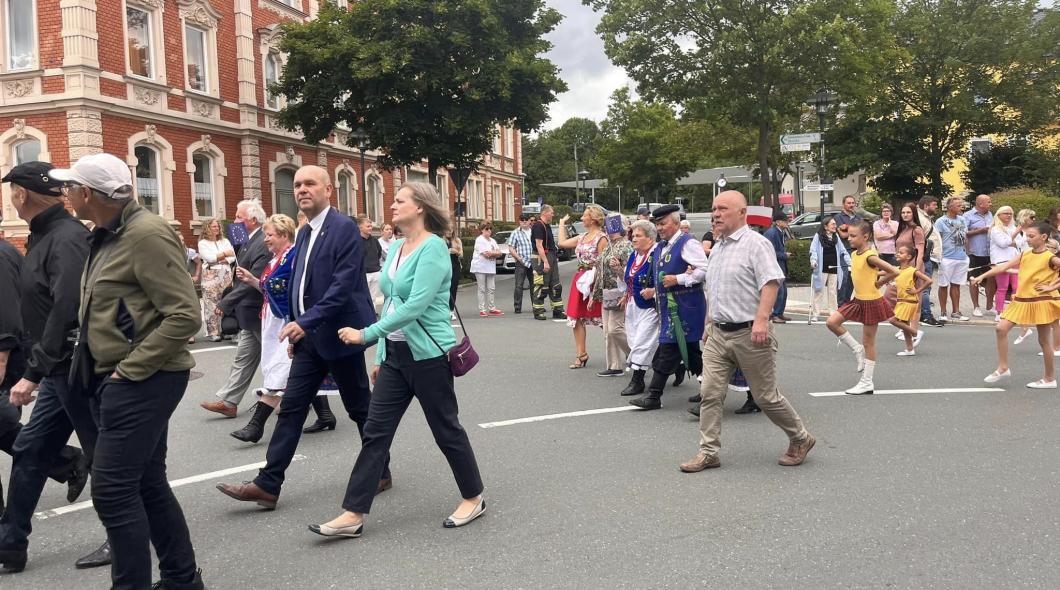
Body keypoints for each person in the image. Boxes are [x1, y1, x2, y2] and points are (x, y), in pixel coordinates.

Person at [56, 153, 204, 588]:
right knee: (146, 483)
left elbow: (184, 314)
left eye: (70, 188)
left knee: (113, 489)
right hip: (117, 376)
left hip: (144, 378)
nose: (66, 194)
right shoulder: (106, 233)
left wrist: (128, 370)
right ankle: (181, 580)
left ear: (87, 194)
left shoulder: (146, 233)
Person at [309, 182, 485, 539]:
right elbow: (389, 301)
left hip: (429, 357)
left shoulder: (433, 248)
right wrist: (382, 352)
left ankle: (473, 496)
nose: (392, 205)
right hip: (395, 358)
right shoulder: (398, 248)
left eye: (400, 200)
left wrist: (366, 335)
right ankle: (353, 513)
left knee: (446, 430)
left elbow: (415, 306)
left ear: (420, 207)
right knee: (375, 433)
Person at [217, 164, 389, 510]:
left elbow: (341, 286)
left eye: (310, 183)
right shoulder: (306, 231)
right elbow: (300, 285)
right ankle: (268, 484)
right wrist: (298, 328)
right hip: (310, 338)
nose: (302, 189)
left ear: (329, 190)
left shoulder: (343, 230)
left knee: (359, 408)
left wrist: (304, 322)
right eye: (297, 184)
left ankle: (381, 470)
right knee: (292, 408)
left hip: (340, 335)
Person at [0, 162, 105, 574]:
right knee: (29, 450)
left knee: (105, 458)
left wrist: (32, 372)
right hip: (60, 370)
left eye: (12, 191)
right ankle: (10, 545)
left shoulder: (66, 238)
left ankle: (124, 536)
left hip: (78, 369)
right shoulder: (45, 235)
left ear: (21, 195)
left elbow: (68, 310)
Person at [682, 190, 815, 473]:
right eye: (714, 208)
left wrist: (762, 320)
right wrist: (709, 322)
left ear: (742, 213)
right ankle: (708, 452)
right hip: (719, 334)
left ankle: (800, 437)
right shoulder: (718, 246)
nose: (715, 214)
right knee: (710, 393)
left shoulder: (756, 244)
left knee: (766, 396)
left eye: (723, 209)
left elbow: (771, 282)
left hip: (749, 333)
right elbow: (715, 289)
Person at [629, 205, 708, 410]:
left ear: (676, 223)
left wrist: (680, 278)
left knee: (668, 350)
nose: (660, 227)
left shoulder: (687, 243)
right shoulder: (662, 246)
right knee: (691, 353)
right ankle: (708, 390)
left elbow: (704, 270)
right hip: (668, 308)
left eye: (663, 223)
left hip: (686, 307)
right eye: (658, 224)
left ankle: (654, 396)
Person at [229, 214, 298, 443]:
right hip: (270, 321)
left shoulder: (293, 258)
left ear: (284, 235)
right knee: (290, 372)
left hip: (286, 322)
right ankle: (325, 414)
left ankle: (255, 426)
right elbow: (268, 290)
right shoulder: (273, 260)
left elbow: (296, 292)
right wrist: (251, 280)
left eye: (269, 235)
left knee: (281, 371)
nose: (266, 240)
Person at [200, 200, 270, 419]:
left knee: (274, 361)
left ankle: (292, 398)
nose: (235, 221)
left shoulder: (262, 243)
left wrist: (225, 303)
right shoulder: (247, 239)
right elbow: (236, 256)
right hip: (248, 313)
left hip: (258, 311)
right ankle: (229, 402)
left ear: (253, 220)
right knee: (243, 358)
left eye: (239, 217)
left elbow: (253, 281)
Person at [974, 221, 1060, 389]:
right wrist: (981, 276)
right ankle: (1003, 367)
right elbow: (1003, 266)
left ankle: (1049, 378)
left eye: (1031, 236)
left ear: (1043, 237)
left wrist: (1051, 286)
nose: (1027, 239)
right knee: (1000, 328)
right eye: (1026, 236)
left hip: (1040, 301)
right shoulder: (1025, 254)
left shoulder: (1050, 257)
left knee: (1044, 341)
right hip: (1022, 299)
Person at [826, 221, 900, 395]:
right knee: (831, 322)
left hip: (871, 301)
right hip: (857, 299)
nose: (849, 239)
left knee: (869, 342)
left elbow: (894, 271)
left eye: (853, 236)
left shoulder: (870, 256)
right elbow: (867, 271)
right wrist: (877, 275)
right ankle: (856, 348)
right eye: (849, 235)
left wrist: (879, 282)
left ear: (865, 237)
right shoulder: (855, 254)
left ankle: (867, 382)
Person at [558, 206, 607, 368]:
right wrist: (561, 223)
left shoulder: (601, 238)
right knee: (576, 317)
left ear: (593, 219)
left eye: (585, 216)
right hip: (580, 279)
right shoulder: (582, 236)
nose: (582, 218)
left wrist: (599, 286)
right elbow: (562, 243)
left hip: (594, 280)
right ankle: (581, 354)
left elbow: (603, 265)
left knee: (604, 320)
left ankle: (626, 349)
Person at [619, 220, 660, 396]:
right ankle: (674, 364)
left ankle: (637, 380)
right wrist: (624, 294)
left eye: (638, 236)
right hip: (633, 304)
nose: (634, 239)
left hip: (651, 307)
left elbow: (667, 279)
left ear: (650, 238)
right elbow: (629, 280)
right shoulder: (634, 256)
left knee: (643, 342)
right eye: (633, 235)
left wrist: (655, 291)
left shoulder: (657, 255)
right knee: (635, 341)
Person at [593, 213, 633, 377]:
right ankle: (614, 365)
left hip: (619, 291)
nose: (608, 230)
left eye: (612, 226)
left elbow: (630, 275)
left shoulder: (626, 246)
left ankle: (637, 356)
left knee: (614, 330)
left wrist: (618, 269)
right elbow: (600, 271)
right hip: (607, 292)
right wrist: (593, 294)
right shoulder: (609, 245)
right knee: (607, 332)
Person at [888, 245, 934, 356]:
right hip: (901, 300)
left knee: (893, 320)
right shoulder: (897, 270)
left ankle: (916, 332)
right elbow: (883, 273)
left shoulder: (912, 271)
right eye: (898, 252)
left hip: (909, 301)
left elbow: (928, 280)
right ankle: (910, 349)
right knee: (904, 325)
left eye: (901, 252)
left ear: (908, 257)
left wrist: (917, 291)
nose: (898, 254)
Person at [892, 202, 927, 343]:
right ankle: (905, 327)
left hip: (913, 268)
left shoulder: (917, 230)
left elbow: (920, 251)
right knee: (903, 298)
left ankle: (914, 330)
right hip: (903, 268)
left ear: (913, 214)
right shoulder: (903, 229)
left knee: (914, 299)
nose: (905, 215)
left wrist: (916, 270)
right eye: (903, 213)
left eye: (908, 212)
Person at [197, 217, 235, 341]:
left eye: (217, 226)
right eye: (213, 226)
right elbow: (210, 258)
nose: (216, 228)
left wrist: (225, 258)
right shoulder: (202, 243)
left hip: (225, 273)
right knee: (211, 303)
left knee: (226, 301)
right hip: (210, 274)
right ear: (207, 228)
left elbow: (233, 256)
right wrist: (225, 254)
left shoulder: (225, 241)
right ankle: (214, 332)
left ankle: (227, 329)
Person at [935, 196, 970, 321]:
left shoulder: (962, 220)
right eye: (958, 205)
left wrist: (967, 253)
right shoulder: (940, 221)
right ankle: (943, 312)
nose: (961, 207)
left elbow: (965, 236)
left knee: (956, 284)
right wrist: (938, 256)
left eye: (961, 205)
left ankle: (956, 311)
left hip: (961, 256)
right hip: (947, 257)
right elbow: (936, 239)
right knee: (943, 284)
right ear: (950, 207)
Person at [808, 217, 849, 324]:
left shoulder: (836, 237)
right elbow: (813, 250)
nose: (835, 226)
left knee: (833, 291)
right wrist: (813, 260)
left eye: (835, 224)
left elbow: (843, 251)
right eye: (833, 224)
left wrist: (850, 263)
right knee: (819, 291)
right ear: (826, 226)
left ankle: (833, 313)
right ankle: (816, 314)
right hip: (822, 266)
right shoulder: (818, 236)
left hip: (834, 267)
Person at [530, 205, 566, 320]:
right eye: (551, 212)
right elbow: (539, 245)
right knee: (541, 285)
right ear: (545, 213)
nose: (553, 214)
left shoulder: (547, 226)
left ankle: (558, 310)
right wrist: (545, 262)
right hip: (541, 258)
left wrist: (554, 257)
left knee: (555, 285)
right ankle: (538, 310)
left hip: (550, 256)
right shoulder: (538, 226)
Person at [964, 194, 995, 317]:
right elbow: (964, 233)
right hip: (975, 252)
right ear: (980, 203)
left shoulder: (990, 215)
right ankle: (976, 306)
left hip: (990, 252)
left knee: (991, 279)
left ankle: (989, 305)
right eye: (989, 202)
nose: (991, 204)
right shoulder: (968, 216)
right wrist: (980, 231)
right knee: (974, 279)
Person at [989, 206, 1021, 319]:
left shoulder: (1012, 227)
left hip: (1014, 259)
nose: (1008, 215)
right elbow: (1002, 243)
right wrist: (1014, 235)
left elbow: (1020, 243)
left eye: (1010, 213)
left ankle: (1014, 310)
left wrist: (1012, 240)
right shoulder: (995, 229)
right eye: (1005, 213)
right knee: (1002, 287)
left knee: (1016, 286)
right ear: (999, 215)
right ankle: (999, 312)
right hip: (1001, 261)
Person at [917, 196, 944, 326]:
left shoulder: (925, 218)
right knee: (925, 287)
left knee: (924, 287)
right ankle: (926, 316)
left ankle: (922, 314)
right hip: (925, 257)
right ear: (926, 206)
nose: (936, 207)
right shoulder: (921, 219)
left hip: (929, 257)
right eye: (934, 205)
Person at [763, 210, 791, 323]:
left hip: (779, 265)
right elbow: (770, 251)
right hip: (775, 265)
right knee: (780, 291)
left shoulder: (780, 232)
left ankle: (779, 313)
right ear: (778, 222)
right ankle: (775, 314)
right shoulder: (772, 233)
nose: (787, 223)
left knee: (783, 291)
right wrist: (784, 255)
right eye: (785, 221)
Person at [833, 195, 862, 305]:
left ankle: (847, 302)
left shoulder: (858, 218)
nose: (851, 205)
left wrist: (847, 228)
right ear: (843, 204)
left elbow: (859, 234)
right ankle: (841, 304)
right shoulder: (838, 217)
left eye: (852, 203)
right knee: (844, 277)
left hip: (857, 251)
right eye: (848, 203)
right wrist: (853, 231)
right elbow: (843, 235)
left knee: (853, 277)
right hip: (844, 251)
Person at [471, 223, 503, 317]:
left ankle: (492, 308)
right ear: (482, 230)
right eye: (486, 229)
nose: (489, 230)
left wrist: (493, 253)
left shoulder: (492, 240)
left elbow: (499, 252)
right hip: (480, 266)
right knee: (481, 288)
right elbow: (486, 254)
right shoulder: (479, 240)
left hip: (490, 266)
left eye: (490, 229)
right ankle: (482, 309)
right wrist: (494, 253)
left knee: (491, 288)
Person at [508, 214, 535, 314]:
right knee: (519, 285)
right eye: (522, 220)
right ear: (519, 221)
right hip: (521, 262)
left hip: (533, 261)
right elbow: (511, 247)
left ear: (529, 221)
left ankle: (535, 305)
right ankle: (517, 307)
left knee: (534, 285)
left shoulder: (534, 231)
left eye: (526, 220)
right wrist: (518, 258)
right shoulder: (515, 233)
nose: (524, 222)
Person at [358, 216, 384, 306]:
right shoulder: (356, 240)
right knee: (362, 297)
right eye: (367, 226)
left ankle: (372, 315)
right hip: (363, 274)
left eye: (371, 226)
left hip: (375, 272)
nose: (370, 228)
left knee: (373, 297)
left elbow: (379, 253)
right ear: (360, 227)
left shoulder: (375, 240)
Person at [444, 227, 463, 316]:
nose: (449, 231)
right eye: (447, 229)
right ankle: (444, 309)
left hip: (455, 266)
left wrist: (457, 252)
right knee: (445, 289)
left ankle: (451, 310)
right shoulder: (440, 241)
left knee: (453, 288)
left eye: (451, 229)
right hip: (445, 267)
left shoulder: (457, 240)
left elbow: (461, 254)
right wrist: (448, 251)